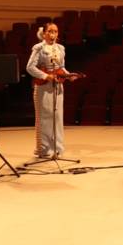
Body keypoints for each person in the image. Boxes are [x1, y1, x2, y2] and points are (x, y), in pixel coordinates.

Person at [26, 23, 78, 159]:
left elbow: (61, 67)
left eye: (55, 31)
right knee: (44, 118)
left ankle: (57, 148)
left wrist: (68, 75)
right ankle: (43, 149)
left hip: (58, 85)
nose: (52, 34)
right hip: (43, 86)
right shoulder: (39, 48)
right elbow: (30, 67)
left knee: (57, 116)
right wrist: (46, 76)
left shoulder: (61, 48)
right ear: (44, 34)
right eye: (50, 31)